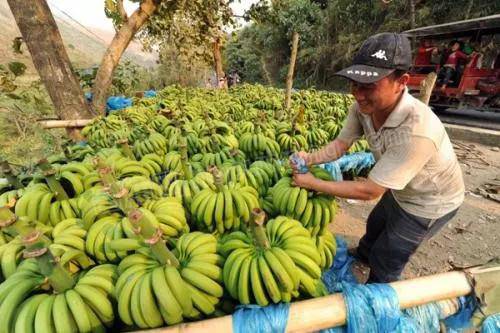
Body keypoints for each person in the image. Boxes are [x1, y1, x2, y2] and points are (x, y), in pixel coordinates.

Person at [291, 33, 465, 283]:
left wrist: (311, 183)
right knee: (375, 225)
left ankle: (378, 290)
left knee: (390, 252)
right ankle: (362, 256)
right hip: (400, 187)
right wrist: (309, 159)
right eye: (354, 84)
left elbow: (370, 191)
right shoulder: (363, 108)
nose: (358, 94)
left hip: (430, 201)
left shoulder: (417, 131)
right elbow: (341, 145)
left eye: (369, 86)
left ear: (401, 81)